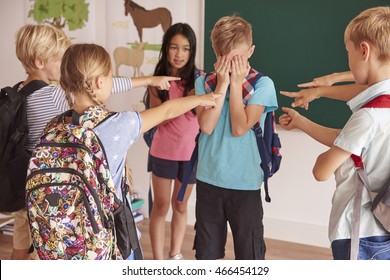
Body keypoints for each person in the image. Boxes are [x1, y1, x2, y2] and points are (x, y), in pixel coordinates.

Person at [9, 24, 180, 260]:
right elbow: (94, 84)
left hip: (29, 191)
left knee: (23, 250)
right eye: (60, 60)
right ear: (40, 62)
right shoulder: (52, 94)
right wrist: (149, 80)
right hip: (59, 197)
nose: (64, 69)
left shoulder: (18, 92)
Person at [59, 43, 220, 259]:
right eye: (110, 77)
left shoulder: (55, 126)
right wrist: (201, 99)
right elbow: (166, 111)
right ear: (99, 82)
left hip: (65, 238)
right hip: (107, 239)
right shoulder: (116, 124)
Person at [279, 6, 390, 260]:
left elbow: (321, 171)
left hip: (359, 232)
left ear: (364, 51)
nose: (348, 61)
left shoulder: (367, 117)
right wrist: (301, 122)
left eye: (348, 52)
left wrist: (325, 157)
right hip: (385, 225)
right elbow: (352, 141)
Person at [194, 15, 278, 260]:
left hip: (245, 183)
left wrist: (236, 84)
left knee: (249, 255)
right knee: (207, 255)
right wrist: (222, 84)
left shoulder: (263, 85)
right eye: (224, 58)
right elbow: (206, 126)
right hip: (209, 180)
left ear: (250, 51)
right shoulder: (204, 83)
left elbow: (239, 127)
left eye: (238, 58)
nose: (231, 65)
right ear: (215, 52)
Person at [147, 23, 200, 260]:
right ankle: (158, 261)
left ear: (192, 51)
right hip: (163, 152)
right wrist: (181, 105)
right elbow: (156, 119)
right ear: (166, 49)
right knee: (160, 207)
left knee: (180, 206)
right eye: (174, 47)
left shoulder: (199, 80)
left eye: (185, 49)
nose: (179, 54)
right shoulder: (158, 81)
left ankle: (174, 255)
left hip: (190, 155)